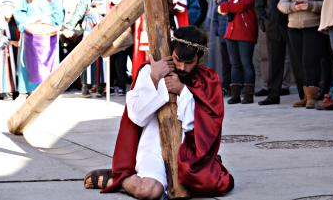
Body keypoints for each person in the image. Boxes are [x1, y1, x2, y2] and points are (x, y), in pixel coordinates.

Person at [83, 26, 234, 199]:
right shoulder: (150, 70)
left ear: (199, 58)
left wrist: (183, 91)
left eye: (189, 62)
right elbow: (137, 116)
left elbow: (210, 122)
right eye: (178, 59)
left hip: (191, 151)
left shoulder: (207, 79)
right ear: (172, 50)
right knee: (148, 191)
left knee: (214, 183)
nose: (183, 67)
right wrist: (154, 78)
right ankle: (119, 180)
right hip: (154, 145)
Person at [277, 0, 330, 108]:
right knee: (298, 62)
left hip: (312, 26)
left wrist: (310, 6)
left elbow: (327, 3)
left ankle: (312, 96)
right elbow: (281, 4)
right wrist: (294, 6)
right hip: (293, 27)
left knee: (310, 61)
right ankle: (304, 96)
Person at [13, 0, 64, 97]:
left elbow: (59, 14)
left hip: (47, 37)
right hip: (31, 36)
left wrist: (48, 20)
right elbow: (19, 13)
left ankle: (49, 89)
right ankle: (26, 90)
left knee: (48, 62)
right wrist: (30, 21)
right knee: (29, 63)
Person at [218, 0, 260, 104]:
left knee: (246, 63)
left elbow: (242, 5)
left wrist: (224, 7)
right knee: (234, 64)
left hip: (245, 31)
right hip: (231, 32)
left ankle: (248, 95)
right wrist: (227, 4)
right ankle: (235, 95)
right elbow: (233, 4)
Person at [63, 0, 107, 98]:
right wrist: (70, 27)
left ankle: (100, 86)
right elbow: (78, 13)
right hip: (89, 30)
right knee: (87, 58)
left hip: (105, 30)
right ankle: (85, 86)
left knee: (103, 59)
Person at [255, 0, 295, 105]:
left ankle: (306, 95)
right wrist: (264, 23)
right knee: (274, 63)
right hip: (273, 27)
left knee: (299, 61)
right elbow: (259, 5)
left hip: (293, 25)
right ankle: (273, 96)